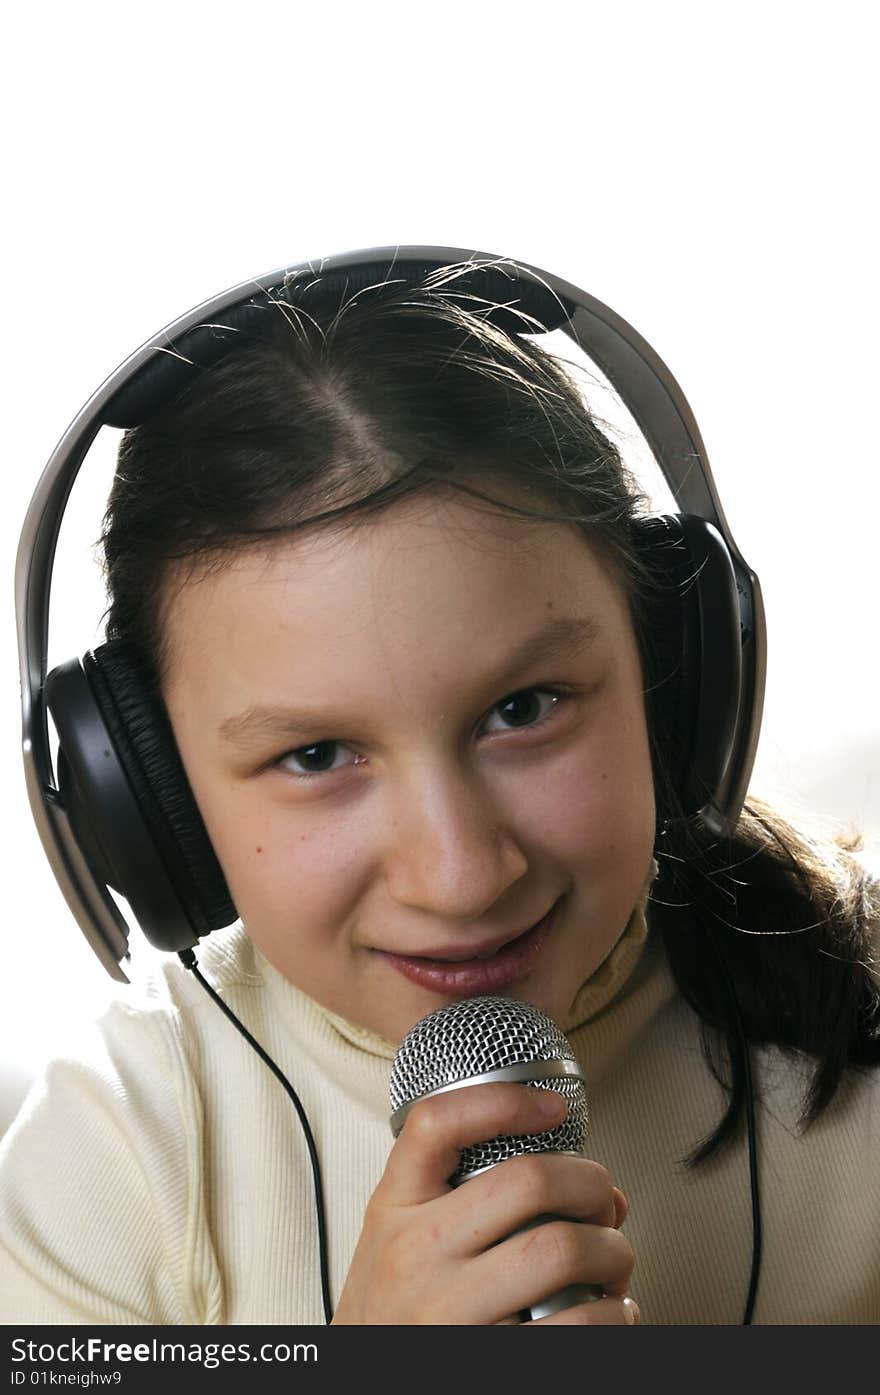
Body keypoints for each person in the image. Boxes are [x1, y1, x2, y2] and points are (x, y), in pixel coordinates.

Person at [1, 260, 878, 1326]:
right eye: (317, 755)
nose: (460, 877)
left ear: (676, 678)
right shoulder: (100, 1179)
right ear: (149, 802)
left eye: (524, 708)